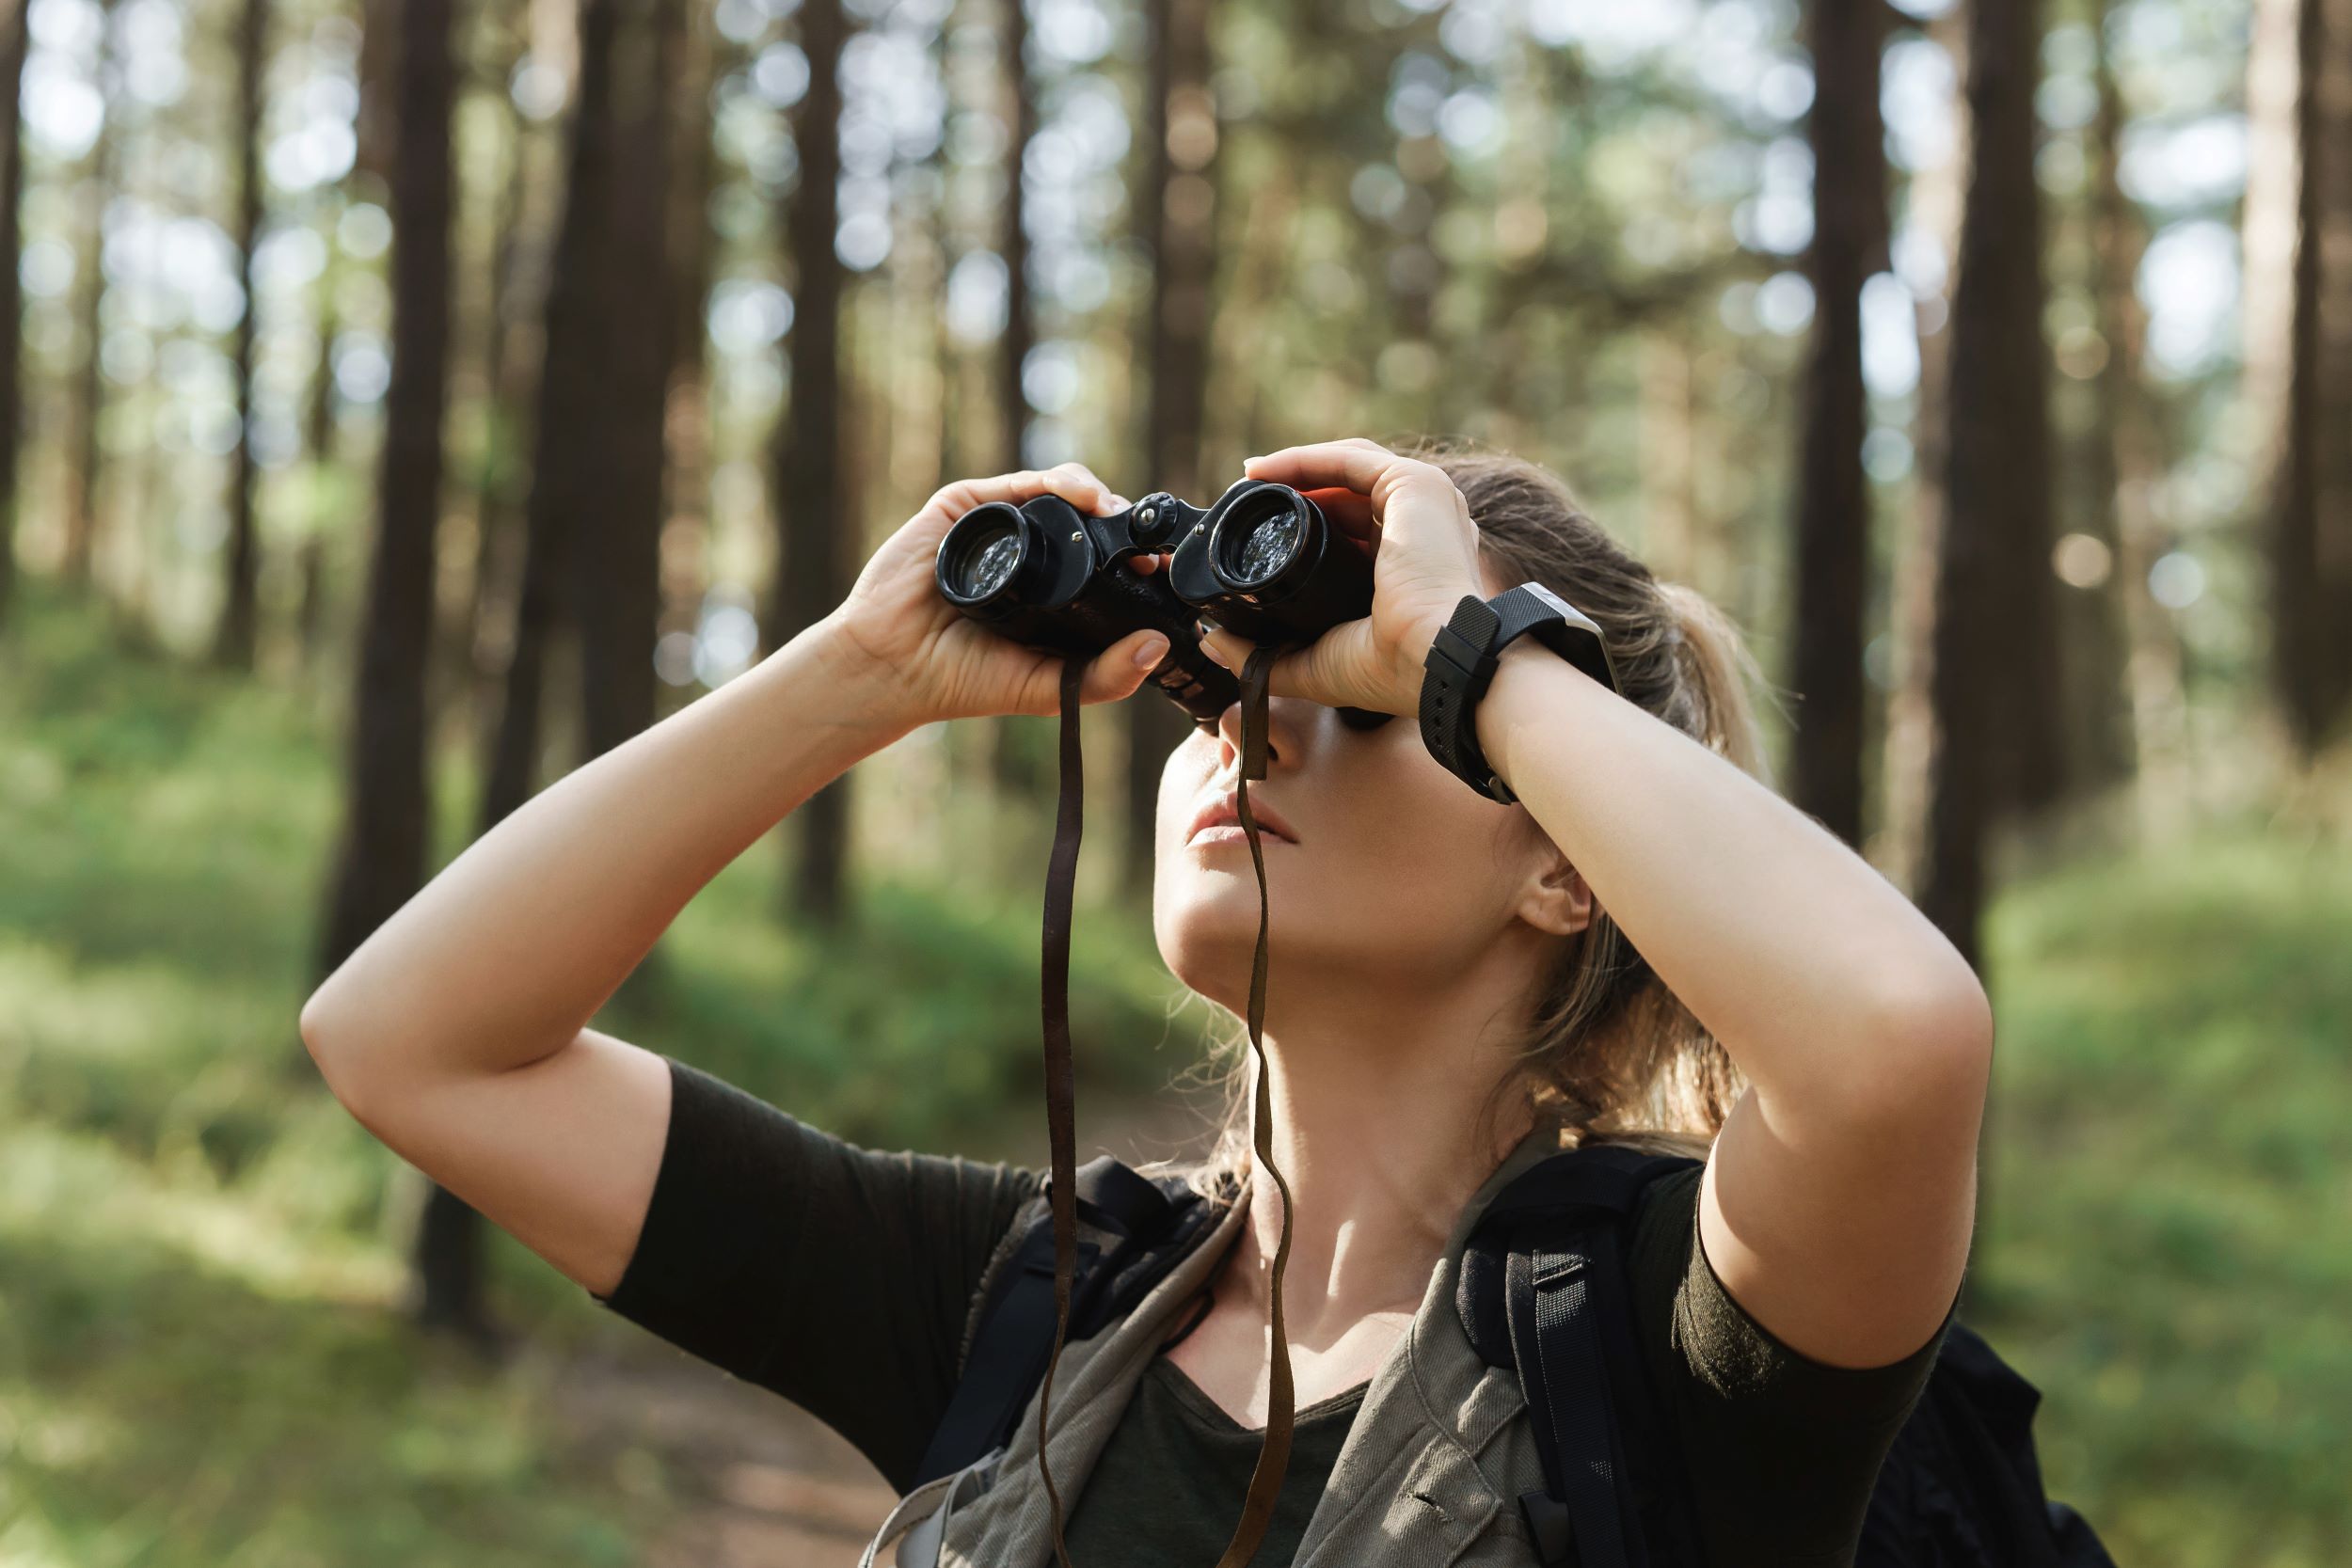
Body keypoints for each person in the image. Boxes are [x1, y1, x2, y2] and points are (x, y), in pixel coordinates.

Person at [300, 436, 1991, 1567]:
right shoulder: (1033, 1304)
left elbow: (1893, 1041)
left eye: (1366, 702)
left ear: (1566, 864)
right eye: (1229, 683)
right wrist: (857, 675)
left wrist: (1474, 656)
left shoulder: (1667, 1333)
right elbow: (413, 1040)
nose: (1252, 727)